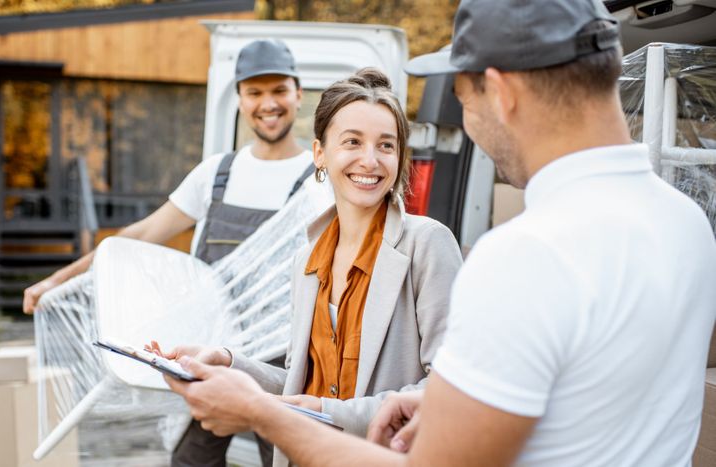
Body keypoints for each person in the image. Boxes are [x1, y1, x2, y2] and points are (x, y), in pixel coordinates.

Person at [163, 0, 716, 465]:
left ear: (501, 92)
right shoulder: (687, 223)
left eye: (464, 97)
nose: (467, 120)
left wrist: (261, 412)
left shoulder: (525, 256)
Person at [22, 39, 315, 467]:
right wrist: (57, 280)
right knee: (191, 462)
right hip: (209, 354)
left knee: (287, 461)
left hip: (281, 363)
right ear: (238, 98)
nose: (267, 104)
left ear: (298, 93)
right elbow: (138, 235)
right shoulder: (217, 173)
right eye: (255, 92)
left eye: (278, 90)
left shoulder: (318, 181)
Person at [150, 67, 462, 465]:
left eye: (386, 145)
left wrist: (325, 414)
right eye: (352, 142)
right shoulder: (307, 260)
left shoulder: (427, 244)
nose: (370, 160)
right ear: (320, 153)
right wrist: (229, 361)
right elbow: (301, 386)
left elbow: (448, 389)